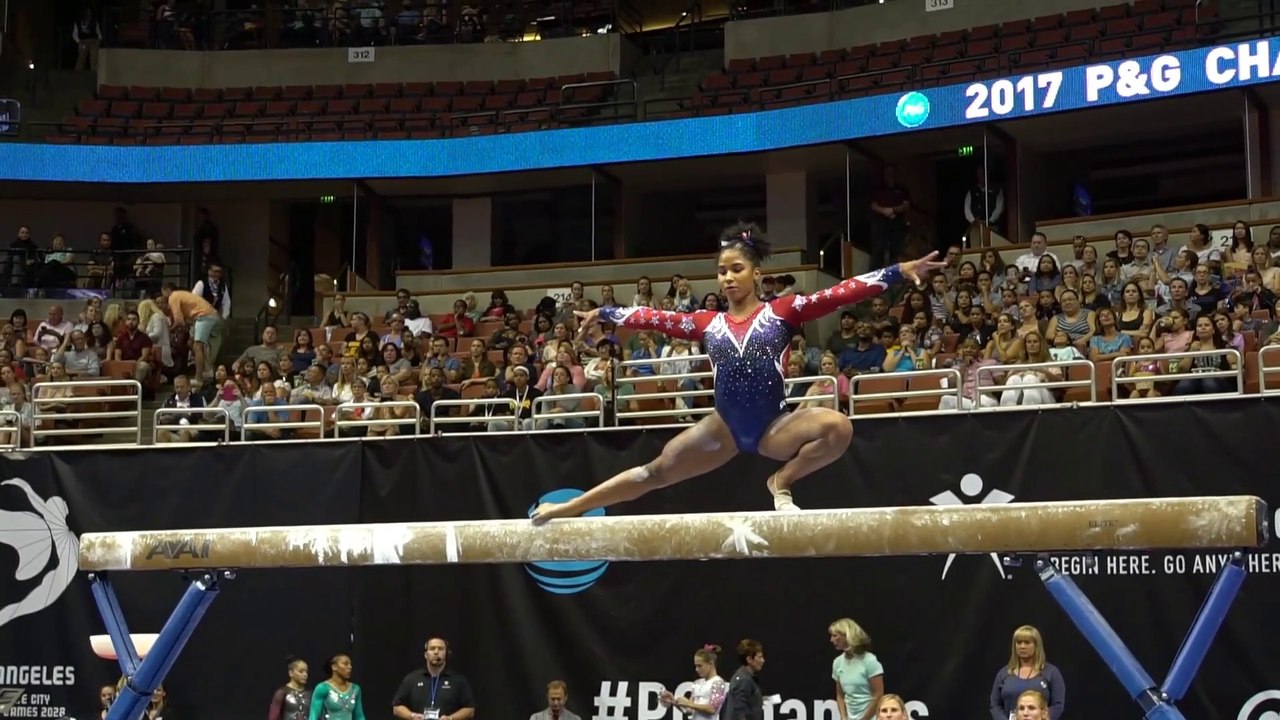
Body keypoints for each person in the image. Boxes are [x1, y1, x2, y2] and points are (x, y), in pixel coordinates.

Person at [531, 222, 943, 522]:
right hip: (723, 429)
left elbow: (837, 294)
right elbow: (654, 317)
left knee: (838, 427)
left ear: (756, 273)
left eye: (737, 269)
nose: (728, 278)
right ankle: (571, 508)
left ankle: (781, 482)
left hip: (774, 428)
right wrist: (605, 312)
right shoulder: (707, 323)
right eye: (722, 271)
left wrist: (896, 272)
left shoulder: (783, 312)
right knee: (653, 472)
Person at [989, 626, 1064, 720]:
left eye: (1027, 642)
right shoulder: (1004, 674)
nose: (1022, 646)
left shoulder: (1051, 673)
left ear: (1036, 645)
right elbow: (995, 705)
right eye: (1019, 642)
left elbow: (1057, 705)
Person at [391, 637, 475, 720]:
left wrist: (450, 718)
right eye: (432, 648)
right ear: (425, 654)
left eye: (440, 649)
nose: (436, 652)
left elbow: (470, 710)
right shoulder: (412, 679)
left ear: (446, 654)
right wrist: (412, 716)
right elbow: (397, 707)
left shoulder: (458, 681)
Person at [829, 618, 884, 720]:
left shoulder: (869, 661)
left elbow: (878, 694)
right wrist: (843, 717)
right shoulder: (837, 662)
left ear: (847, 635)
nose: (831, 640)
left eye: (835, 636)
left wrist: (864, 719)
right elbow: (840, 695)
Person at [660, 644, 728, 720]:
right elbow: (689, 711)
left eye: (700, 666)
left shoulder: (718, 682)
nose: (696, 669)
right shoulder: (697, 683)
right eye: (696, 666)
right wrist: (674, 701)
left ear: (711, 663)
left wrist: (689, 703)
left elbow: (712, 709)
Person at [308, 654, 366, 720]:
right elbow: (313, 716)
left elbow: (359, 716)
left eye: (350, 664)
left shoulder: (355, 689)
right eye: (345, 664)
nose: (350, 667)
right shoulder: (323, 688)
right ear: (334, 667)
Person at [721, 639, 764, 720]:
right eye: (760, 657)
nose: (763, 660)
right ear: (749, 659)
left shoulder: (745, 678)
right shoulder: (744, 680)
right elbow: (738, 712)